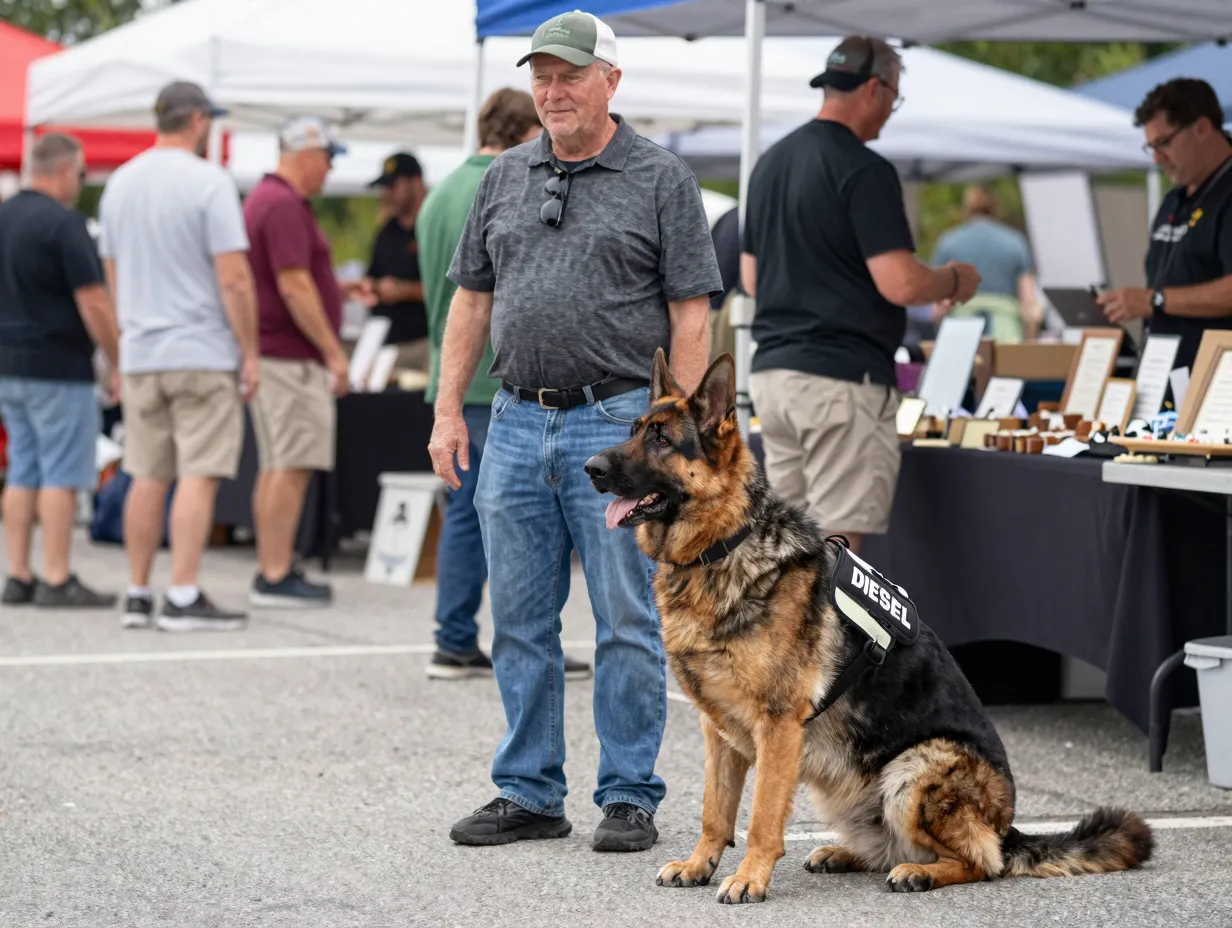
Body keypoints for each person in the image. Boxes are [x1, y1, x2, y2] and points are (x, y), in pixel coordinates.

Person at [428, 10, 721, 851]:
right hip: (515, 419)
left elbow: (690, 315)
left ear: (611, 82)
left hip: (620, 425)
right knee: (519, 619)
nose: (553, 92)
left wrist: (677, 436)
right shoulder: (503, 175)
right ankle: (528, 791)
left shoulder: (662, 179)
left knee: (626, 620)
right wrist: (449, 409)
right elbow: (470, 302)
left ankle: (629, 794)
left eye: (569, 76)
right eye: (541, 77)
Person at [741, 36, 979, 555]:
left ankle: (785, 638)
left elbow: (752, 278)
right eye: (894, 96)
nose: (891, 110)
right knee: (835, 546)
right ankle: (825, 639)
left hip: (774, 376)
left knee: (785, 544)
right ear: (875, 87)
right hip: (840, 380)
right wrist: (952, 280)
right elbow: (901, 283)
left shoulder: (771, 163)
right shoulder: (864, 168)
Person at [417, 88, 592, 682]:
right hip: (502, 381)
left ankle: (454, 634)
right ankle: (514, 639)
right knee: (533, 522)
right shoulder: (511, 181)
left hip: (455, 377)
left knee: (465, 512)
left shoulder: (440, 193)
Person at [98, 80, 258, 631]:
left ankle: (138, 591)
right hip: (200, 348)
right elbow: (234, 280)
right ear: (195, 121)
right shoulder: (207, 182)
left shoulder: (119, 183)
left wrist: (119, 355)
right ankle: (184, 594)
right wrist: (250, 351)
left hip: (141, 350)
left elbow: (112, 277)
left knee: (145, 472)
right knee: (199, 472)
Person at [243, 116, 363, 608]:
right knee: (290, 466)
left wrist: (337, 289)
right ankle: (274, 572)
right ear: (305, 154)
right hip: (291, 358)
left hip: (276, 355)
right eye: (328, 158)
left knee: (278, 466)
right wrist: (334, 353)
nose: (330, 169)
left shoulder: (265, 199)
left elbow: (290, 280)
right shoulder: (284, 204)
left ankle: (272, 565)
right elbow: (292, 285)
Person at [0, 133, 119, 608]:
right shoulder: (64, 225)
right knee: (60, 473)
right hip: (58, 365)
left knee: (22, 470)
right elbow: (92, 301)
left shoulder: (3, 216)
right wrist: (115, 357)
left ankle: (18, 573)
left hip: (9, 364)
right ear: (66, 169)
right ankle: (56, 575)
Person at [1099, 78, 1232, 373]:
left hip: (1216, 389)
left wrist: (1157, 301)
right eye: (1151, 148)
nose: (1158, 159)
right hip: (1162, 377)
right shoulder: (1174, 199)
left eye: (1164, 143)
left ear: (1202, 127)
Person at [930, 185, 1042, 342]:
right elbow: (1029, 304)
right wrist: (1031, 339)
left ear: (967, 208)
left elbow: (939, 306)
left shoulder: (948, 242)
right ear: (996, 208)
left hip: (960, 329)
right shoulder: (1015, 242)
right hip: (1005, 330)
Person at [366, 152, 430, 369]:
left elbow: (457, 288)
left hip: (426, 343)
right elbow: (371, 278)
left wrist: (407, 290)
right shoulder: (386, 232)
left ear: (416, 182)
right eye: (384, 187)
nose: (386, 194)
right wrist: (376, 288)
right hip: (387, 345)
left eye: (393, 186)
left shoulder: (434, 227)